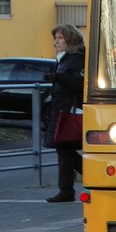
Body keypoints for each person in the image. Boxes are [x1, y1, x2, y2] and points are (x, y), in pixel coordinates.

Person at [45, 23, 85, 203]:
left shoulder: (76, 58)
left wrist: (58, 77)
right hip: (61, 107)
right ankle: (66, 189)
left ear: (70, 38)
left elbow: (78, 83)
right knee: (64, 148)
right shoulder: (64, 58)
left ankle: (67, 189)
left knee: (64, 147)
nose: (56, 42)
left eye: (60, 38)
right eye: (56, 39)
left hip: (68, 108)